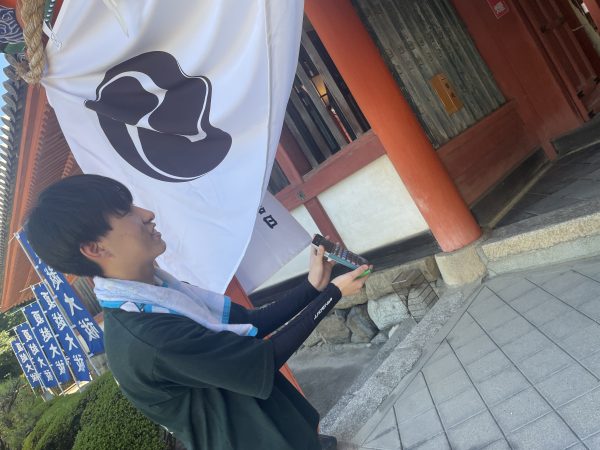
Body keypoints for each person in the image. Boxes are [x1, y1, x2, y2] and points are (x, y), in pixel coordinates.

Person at [25, 174, 371, 450]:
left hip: (283, 432)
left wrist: (313, 287)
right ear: (95, 247)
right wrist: (333, 294)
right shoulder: (146, 336)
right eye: (126, 211)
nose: (146, 214)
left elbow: (250, 323)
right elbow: (262, 360)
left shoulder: (163, 293)